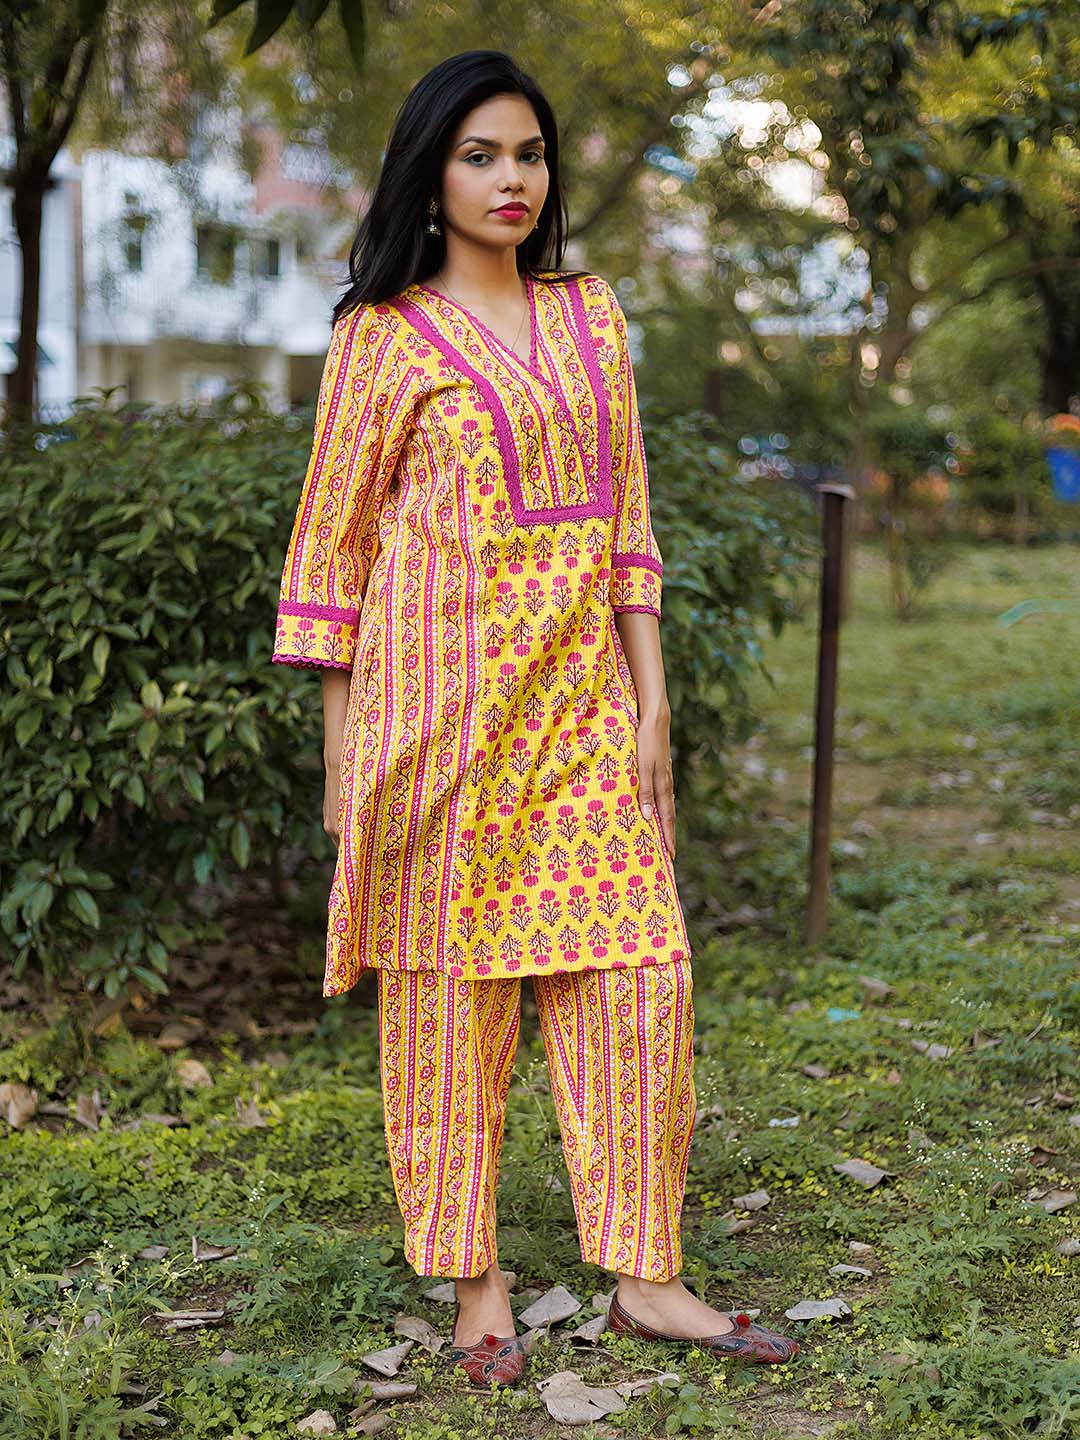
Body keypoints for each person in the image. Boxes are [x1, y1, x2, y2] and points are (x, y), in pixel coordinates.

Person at [272, 49, 799, 1386]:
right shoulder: (381, 341)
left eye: (529, 154)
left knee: (640, 984)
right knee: (449, 1011)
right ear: (430, 175)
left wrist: (655, 696)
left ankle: (648, 1276)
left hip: (580, 716)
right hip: (435, 722)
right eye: (480, 156)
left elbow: (627, 521)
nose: (513, 180)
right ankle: (477, 1285)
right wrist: (346, 753)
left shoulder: (591, 315)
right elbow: (330, 557)